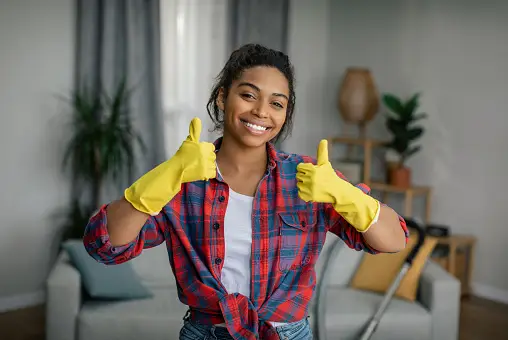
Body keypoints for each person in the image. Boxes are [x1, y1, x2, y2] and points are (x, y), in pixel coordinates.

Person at [83, 43, 408, 340]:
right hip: (205, 333)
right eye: (249, 95)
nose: (261, 112)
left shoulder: (309, 178)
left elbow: (394, 240)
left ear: (285, 113)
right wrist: (166, 175)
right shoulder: (183, 180)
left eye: (277, 103)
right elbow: (104, 246)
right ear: (223, 97)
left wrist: (344, 193)